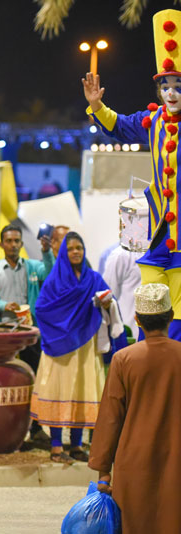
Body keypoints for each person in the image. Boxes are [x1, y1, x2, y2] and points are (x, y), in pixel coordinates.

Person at [84, 9, 181, 340]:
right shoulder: (153, 121)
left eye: (178, 86)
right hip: (158, 230)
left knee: (179, 308)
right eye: (165, 87)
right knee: (150, 301)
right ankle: (146, 356)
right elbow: (120, 126)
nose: (171, 93)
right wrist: (97, 106)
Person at [89, 283, 181, 533]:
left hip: (134, 463)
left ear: (137, 320)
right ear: (171, 317)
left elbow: (111, 418)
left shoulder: (124, 360)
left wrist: (104, 471)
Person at [30, 232, 122, 463]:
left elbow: (110, 301)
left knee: (82, 390)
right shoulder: (55, 280)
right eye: (70, 248)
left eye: (79, 247)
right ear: (63, 252)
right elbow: (41, 309)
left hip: (85, 344)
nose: (75, 252)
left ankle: (77, 446)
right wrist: (62, 327)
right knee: (60, 391)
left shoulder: (93, 278)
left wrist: (106, 304)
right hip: (60, 347)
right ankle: (56, 447)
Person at [0, 224, 54, 446]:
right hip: (4, 335)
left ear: (21, 243)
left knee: (35, 380)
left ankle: (36, 428)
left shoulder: (32, 267)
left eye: (17, 241)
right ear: (2, 244)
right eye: (9, 241)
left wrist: (47, 251)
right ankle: (0, 427)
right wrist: (3, 305)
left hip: (29, 333)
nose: (13, 245)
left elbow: (51, 274)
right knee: (2, 381)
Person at [102, 245, 143, 336]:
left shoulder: (163, 252)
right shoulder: (120, 255)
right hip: (129, 330)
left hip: (157, 331)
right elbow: (108, 297)